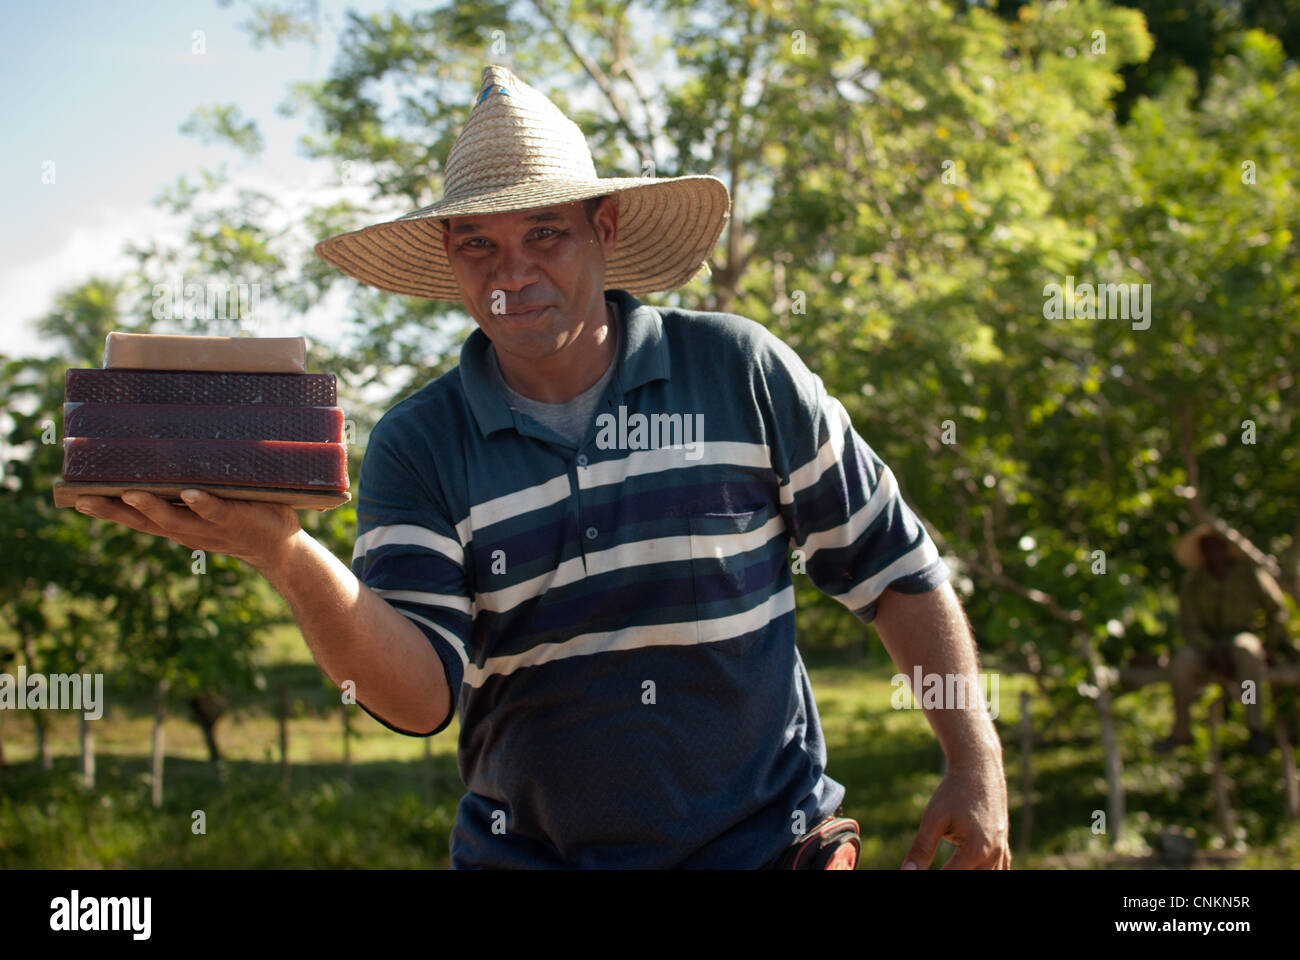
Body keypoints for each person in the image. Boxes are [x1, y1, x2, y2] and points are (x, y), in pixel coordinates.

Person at [74, 65, 1009, 869]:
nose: (509, 274)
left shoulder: (741, 371)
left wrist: (974, 765)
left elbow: (892, 571)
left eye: (545, 235)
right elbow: (418, 695)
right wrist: (288, 559)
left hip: (770, 848)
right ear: (448, 253)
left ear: (605, 226)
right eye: (478, 242)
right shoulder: (418, 442)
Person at [1155, 523, 1294, 756]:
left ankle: (1255, 727)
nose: (1212, 553)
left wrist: (1270, 645)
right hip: (1204, 643)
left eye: (1216, 547)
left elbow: (1276, 610)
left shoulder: (1248, 574)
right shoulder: (1194, 582)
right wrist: (1210, 649)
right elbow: (1188, 625)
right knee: (1181, 665)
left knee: (1247, 655)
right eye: (1206, 548)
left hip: (1242, 636)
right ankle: (1181, 732)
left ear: (1225, 548)